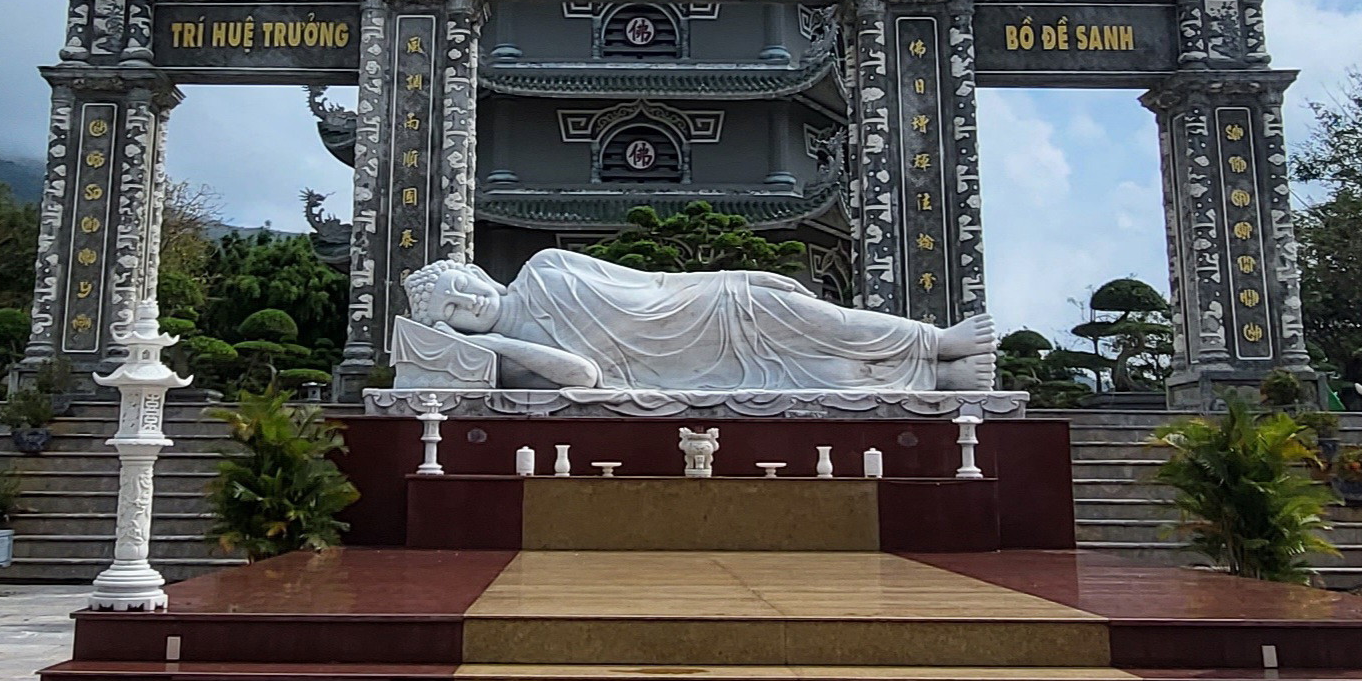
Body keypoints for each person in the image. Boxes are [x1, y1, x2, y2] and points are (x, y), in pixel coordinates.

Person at [402, 251, 996, 393]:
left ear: (473, 270)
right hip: (666, 370)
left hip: (699, 307)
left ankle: (934, 341)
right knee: (811, 376)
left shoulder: (544, 266)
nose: (466, 304)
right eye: (451, 314)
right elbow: (584, 376)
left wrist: (728, 279)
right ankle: (934, 380)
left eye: (459, 289)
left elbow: (646, 282)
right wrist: (497, 342)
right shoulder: (511, 358)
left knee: (825, 322)